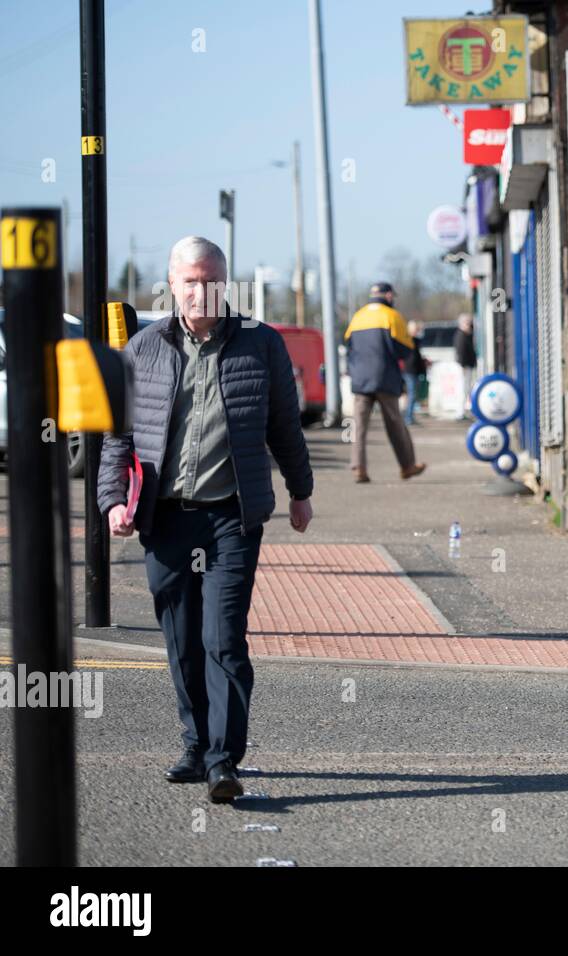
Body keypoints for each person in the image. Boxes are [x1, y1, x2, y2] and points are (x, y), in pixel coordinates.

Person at [99, 235, 314, 804]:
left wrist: (300, 492)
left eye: (212, 280)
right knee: (181, 641)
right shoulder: (142, 349)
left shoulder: (260, 344)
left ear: (226, 282)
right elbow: (117, 437)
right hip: (164, 519)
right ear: (171, 284)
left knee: (224, 640)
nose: (202, 291)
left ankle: (223, 759)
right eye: (190, 280)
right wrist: (112, 501)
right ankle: (194, 745)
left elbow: (285, 426)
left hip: (231, 519)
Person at [343, 282, 426, 482]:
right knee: (395, 423)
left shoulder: (357, 317)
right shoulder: (392, 316)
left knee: (359, 426)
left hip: (360, 379)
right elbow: (405, 349)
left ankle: (358, 468)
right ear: (388, 296)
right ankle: (407, 466)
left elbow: (348, 345)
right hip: (384, 378)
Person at [453, 312, 477, 420]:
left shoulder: (466, 335)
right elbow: (460, 352)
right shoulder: (461, 335)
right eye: (467, 323)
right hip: (464, 366)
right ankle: (460, 412)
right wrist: (462, 365)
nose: (469, 325)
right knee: (462, 389)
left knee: (466, 389)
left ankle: (463, 411)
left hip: (467, 365)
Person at [402, 319, 426, 426]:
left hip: (414, 371)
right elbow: (411, 358)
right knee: (411, 395)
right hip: (409, 371)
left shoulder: (416, 340)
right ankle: (408, 417)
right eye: (415, 328)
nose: (417, 330)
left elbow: (417, 357)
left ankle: (409, 416)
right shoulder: (407, 340)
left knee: (412, 395)